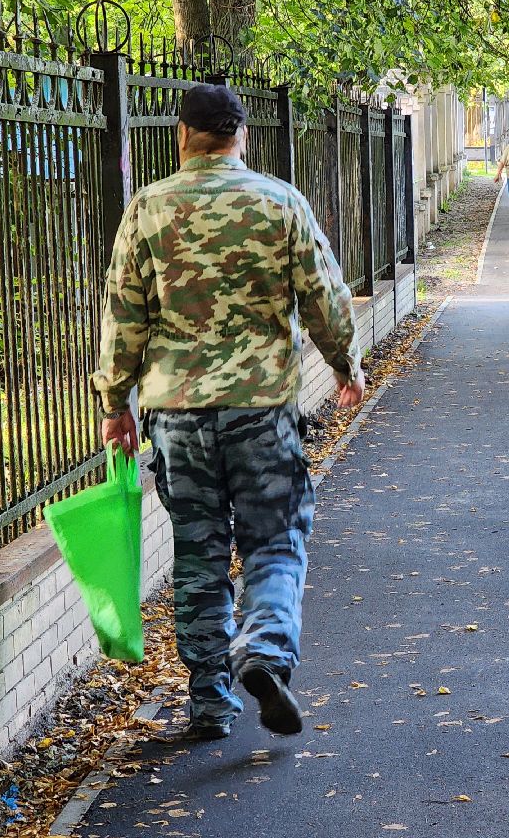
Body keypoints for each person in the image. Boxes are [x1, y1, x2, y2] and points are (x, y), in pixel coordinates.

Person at [93, 83, 366, 741]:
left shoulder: (148, 209)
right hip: (261, 412)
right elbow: (325, 296)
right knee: (274, 540)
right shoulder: (280, 203)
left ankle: (211, 702)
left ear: (182, 136)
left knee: (199, 553)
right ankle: (265, 651)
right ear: (242, 136)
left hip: (177, 417)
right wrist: (344, 365)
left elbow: (123, 313)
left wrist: (115, 402)